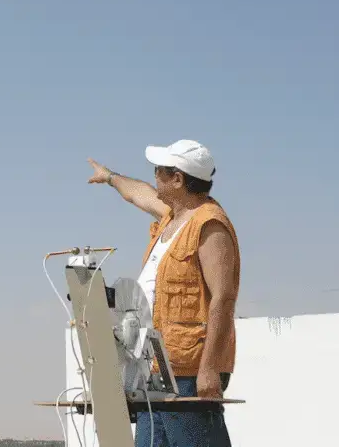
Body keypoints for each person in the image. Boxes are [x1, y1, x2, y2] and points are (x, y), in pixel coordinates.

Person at [87, 139, 240, 447]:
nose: (154, 176)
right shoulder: (174, 216)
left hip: (187, 369)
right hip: (153, 366)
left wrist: (209, 369)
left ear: (178, 179)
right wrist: (110, 177)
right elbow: (140, 194)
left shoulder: (209, 225)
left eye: (159, 171)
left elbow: (223, 298)